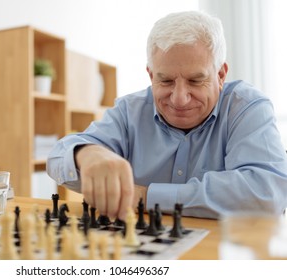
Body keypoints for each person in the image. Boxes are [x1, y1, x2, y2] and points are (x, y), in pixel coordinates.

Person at [46, 10, 287, 220]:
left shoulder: (246, 107)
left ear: (221, 75)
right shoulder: (130, 111)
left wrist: (146, 196)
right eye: (166, 80)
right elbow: (56, 158)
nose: (179, 98)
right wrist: (87, 154)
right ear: (151, 76)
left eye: (196, 80)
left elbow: (267, 194)